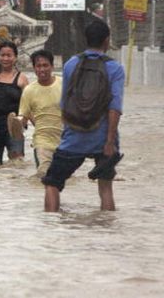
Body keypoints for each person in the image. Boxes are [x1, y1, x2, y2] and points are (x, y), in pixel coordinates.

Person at [42, 21, 124, 212]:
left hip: (74, 136)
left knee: (52, 182)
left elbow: (64, 102)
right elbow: (115, 108)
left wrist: (68, 134)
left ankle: (50, 227)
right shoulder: (115, 68)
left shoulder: (71, 64)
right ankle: (106, 230)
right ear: (106, 40)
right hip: (103, 137)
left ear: (85, 40)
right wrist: (110, 142)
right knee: (105, 188)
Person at [18, 50, 62, 178]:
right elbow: (23, 116)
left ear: (52, 66)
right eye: (38, 66)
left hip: (65, 142)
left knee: (66, 180)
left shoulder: (64, 85)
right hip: (42, 142)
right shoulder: (29, 90)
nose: (42, 69)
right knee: (44, 176)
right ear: (34, 68)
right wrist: (16, 122)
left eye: (45, 65)